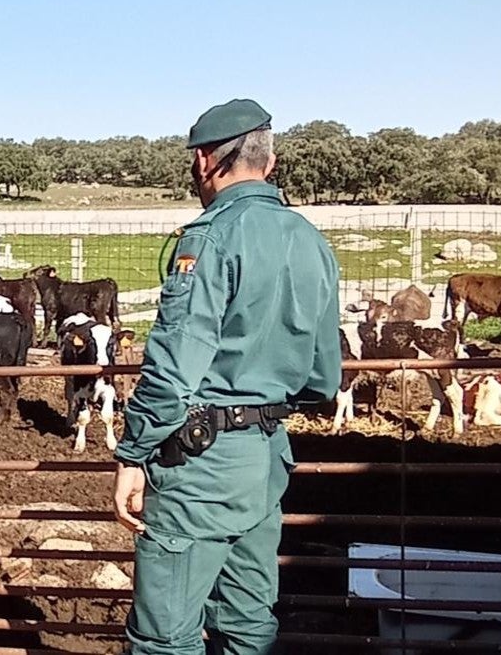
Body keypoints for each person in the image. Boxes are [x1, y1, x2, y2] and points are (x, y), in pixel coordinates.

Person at [111, 99, 342, 654]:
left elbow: (172, 366)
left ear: (205, 161)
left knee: (165, 636)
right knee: (247, 622)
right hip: (265, 459)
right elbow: (323, 377)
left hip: (200, 467)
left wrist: (133, 454)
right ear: (272, 161)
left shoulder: (209, 239)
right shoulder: (311, 241)